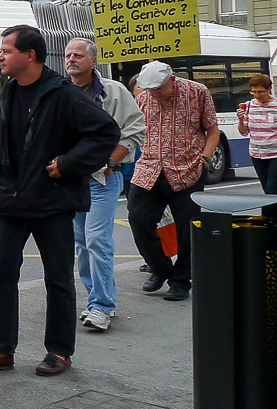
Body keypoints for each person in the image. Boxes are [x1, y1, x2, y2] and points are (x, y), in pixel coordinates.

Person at [0, 26, 119, 377]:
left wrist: (68, 164)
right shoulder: (5, 94)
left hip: (52, 203)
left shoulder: (63, 94)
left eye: (6, 50)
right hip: (9, 202)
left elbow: (106, 132)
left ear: (30, 56)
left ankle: (59, 351)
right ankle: (2, 349)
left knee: (58, 279)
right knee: (2, 276)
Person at [63, 39, 145, 332]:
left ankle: (102, 305)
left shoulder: (113, 91)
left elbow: (135, 128)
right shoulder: (60, 92)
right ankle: (95, 300)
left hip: (102, 179)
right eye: (69, 55)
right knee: (82, 244)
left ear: (93, 61)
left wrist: (112, 162)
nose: (72, 59)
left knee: (97, 240)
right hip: (71, 181)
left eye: (78, 55)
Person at [128, 60, 220, 302]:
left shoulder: (197, 92)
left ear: (172, 79)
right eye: (150, 90)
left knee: (186, 227)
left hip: (187, 169)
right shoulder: (143, 98)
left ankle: (181, 281)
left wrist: (206, 157)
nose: (155, 95)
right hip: (149, 169)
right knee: (138, 219)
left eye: (159, 89)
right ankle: (160, 268)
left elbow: (213, 130)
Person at [238, 74, 277, 194]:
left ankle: (267, 213)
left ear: (269, 89)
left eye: (261, 92)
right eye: (254, 92)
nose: (257, 95)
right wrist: (240, 119)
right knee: (266, 187)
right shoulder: (249, 106)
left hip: (275, 154)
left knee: (271, 188)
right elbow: (244, 132)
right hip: (256, 153)